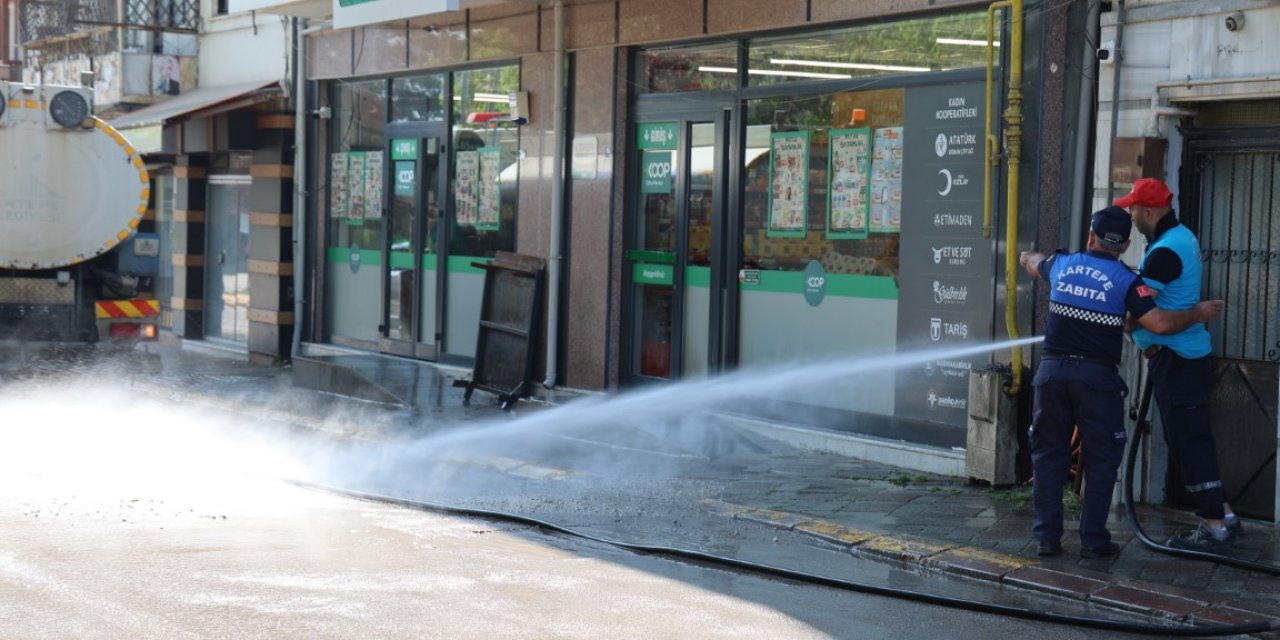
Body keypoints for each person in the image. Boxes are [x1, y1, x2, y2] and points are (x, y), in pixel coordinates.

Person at [1019, 206, 1223, 558]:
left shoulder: (1061, 266)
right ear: (1126, 245)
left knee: (1049, 457)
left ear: (1090, 237)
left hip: (1052, 375)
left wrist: (1026, 256)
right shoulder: (1128, 281)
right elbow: (1157, 323)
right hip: (1097, 381)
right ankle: (1094, 541)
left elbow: (1036, 263)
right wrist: (1198, 314)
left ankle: (1046, 538)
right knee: (1101, 459)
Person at [1117, 177, 1242, 551]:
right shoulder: (1179, 237)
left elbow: (1138, 311)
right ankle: (1225, 516)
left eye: (1134, 208)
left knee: (1189, 442)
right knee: (1189, 438)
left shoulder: (1164, 252)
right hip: (1178, 359)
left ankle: (1215, 526)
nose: (1130, 213)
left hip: (1177, 361)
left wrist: (1126, 322)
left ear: (1149, 211)